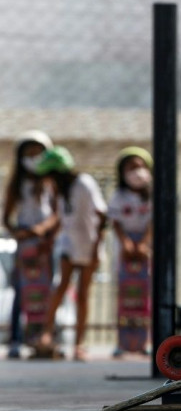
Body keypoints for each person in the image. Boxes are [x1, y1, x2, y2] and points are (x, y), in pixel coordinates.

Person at [35, 147, 107, 361]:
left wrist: (95, 248)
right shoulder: (60, 190)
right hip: (69, 243)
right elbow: (62, 216)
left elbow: (101, 215)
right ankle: (46, 335)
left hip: (88, 243)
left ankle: (79, 344)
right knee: (60, 286)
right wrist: (49, 239)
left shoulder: (84, 183)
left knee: (83, 295)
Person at [2, 131, 57, 359]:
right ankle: (16, 339)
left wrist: (43, 231)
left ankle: (44, 339)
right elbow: (6, 217)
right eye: (29, 153)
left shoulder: (50, 182)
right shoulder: (17, 184)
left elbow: (58, 213)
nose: (33, 157)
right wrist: (18, 232)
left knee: (48, 291)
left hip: (46, 244)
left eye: (38, 152)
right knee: (21, 291)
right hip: (24, 243)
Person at [108, 147, 153, 357]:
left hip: (145, 250)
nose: (137, 171)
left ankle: (144, 342)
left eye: (140, 166)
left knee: (145, 297)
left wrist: (144, 243)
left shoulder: (150, 197)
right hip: (124, 250)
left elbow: (153, 222)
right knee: (125, 297)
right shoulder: (119, 196)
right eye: (131, 167)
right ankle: (122, 342)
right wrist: (126, 243)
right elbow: (116, 222)